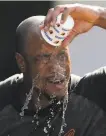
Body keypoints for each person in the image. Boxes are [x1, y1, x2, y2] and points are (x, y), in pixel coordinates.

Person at [0, 3, 106, 136]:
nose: (56, 67)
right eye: (45, 57)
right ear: (21, 62)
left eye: (62, 55)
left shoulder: (93, 93)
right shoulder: (3, 104)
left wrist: (99, 17)